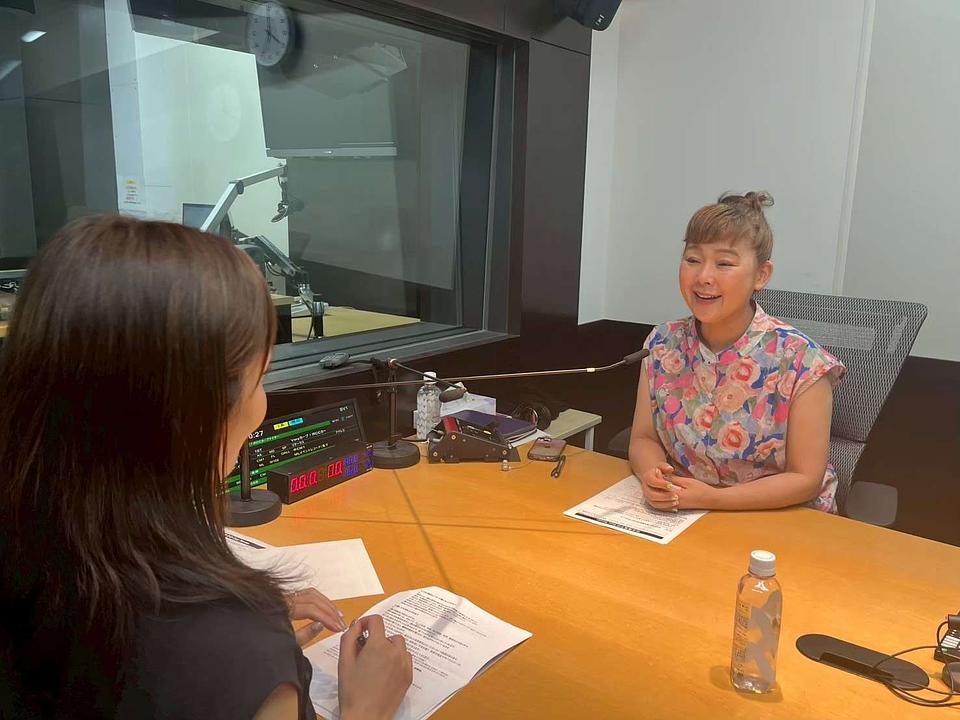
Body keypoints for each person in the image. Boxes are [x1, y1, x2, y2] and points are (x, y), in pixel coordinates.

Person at [0, 216, 412, 719]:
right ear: (195, 415)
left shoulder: (36, 556)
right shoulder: (236, 652)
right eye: (261, 377)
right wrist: (365, 707)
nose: (261, 404)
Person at [629, 192, 845, 514]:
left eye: (724, 264)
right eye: (693, 259)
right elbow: (644, 438)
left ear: (761, 275)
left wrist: (713, 499)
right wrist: (654, 475)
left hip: (781, 518)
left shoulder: (803, 361)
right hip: (684, 513)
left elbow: (805, 479)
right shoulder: (662, 344)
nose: (703, 277)